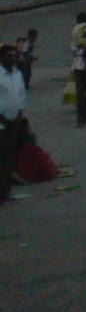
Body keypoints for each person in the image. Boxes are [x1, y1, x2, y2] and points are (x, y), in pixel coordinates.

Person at [0, 42, 26, 206]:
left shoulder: (17, 73)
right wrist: (6, 121)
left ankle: (5, 192)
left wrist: (17, 119)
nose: (13, 57)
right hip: (2, 124)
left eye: (15, 55)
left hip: (14, 123)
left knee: (8, 160)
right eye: (9, 55)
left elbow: (21, 97)